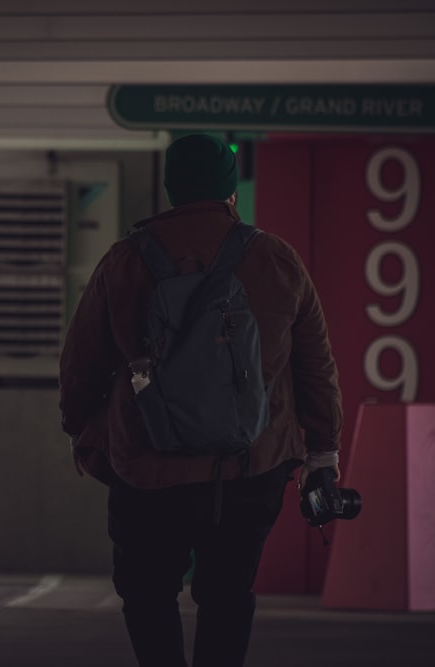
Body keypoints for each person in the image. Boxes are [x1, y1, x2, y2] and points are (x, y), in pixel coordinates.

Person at [58, 134, 342, 667]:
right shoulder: (276, 259)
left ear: (171, 188)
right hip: (249, 465)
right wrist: (323, 452)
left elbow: (79, 366)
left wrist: (84, 433)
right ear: (230, 191)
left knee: (147, 595)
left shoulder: (124, 261)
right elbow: (315, 368)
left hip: (146, 466)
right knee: (228, 597)